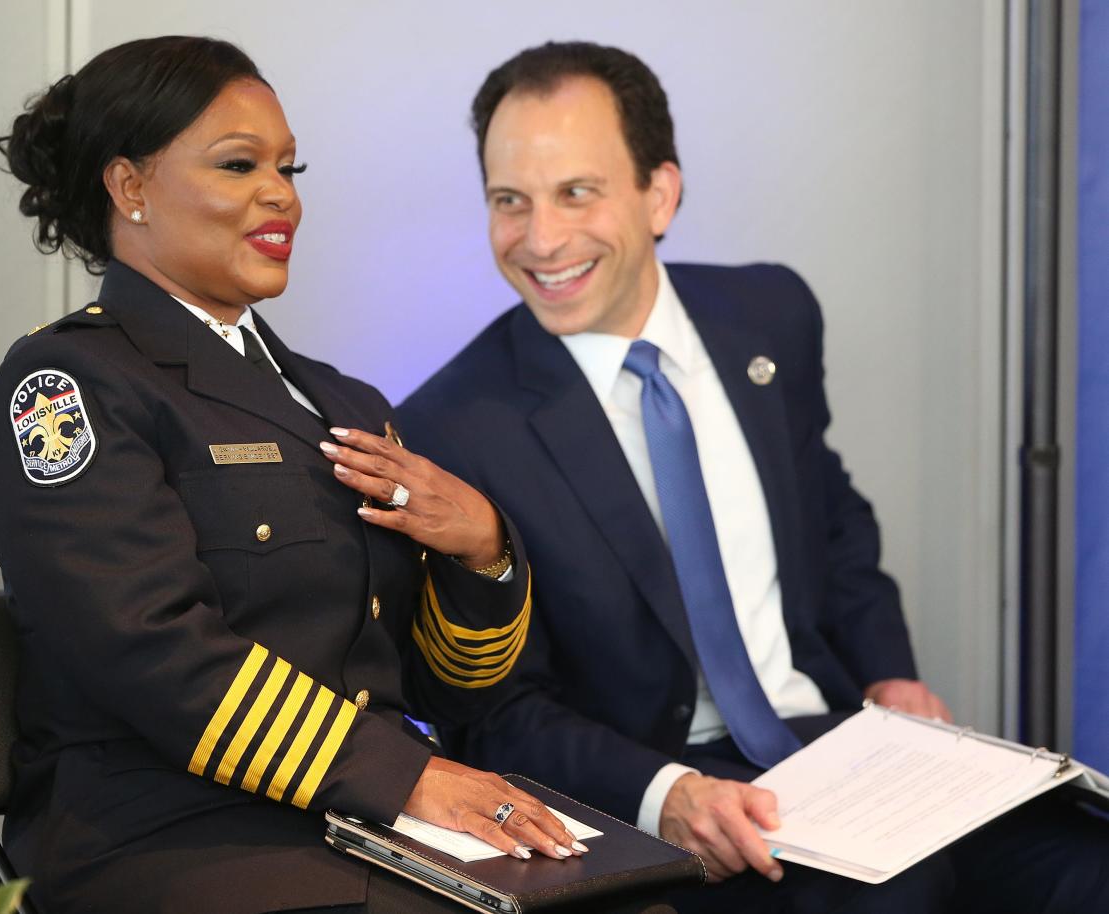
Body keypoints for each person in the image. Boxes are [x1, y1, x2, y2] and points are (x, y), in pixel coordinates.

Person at [396, 40, 1109, 914]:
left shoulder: (769, 314)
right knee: (901, 900)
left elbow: (834, 519)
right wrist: (669, 796)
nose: (540, 239)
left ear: (660, 193)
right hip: (669, 793)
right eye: (511, 201)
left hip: (845, 750)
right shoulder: (455, 426)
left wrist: (891, 675)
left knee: (1086, 863)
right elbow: (495, 713)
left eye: (577, 192)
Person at [0, 35, 637, 914]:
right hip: (176, 836)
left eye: (289, 167)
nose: (280, 194)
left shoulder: (339, 397)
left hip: (354, 824)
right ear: (130, 188)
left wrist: (485, 552)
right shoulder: (69, 385)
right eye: (239, 164)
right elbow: (151, 653)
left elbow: (439, 686)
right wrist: (405, 778)